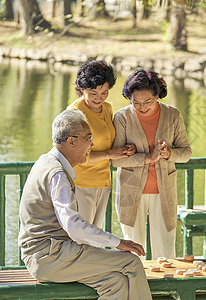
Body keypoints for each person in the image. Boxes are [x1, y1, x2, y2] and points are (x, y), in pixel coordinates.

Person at [18, 110, 151, 300]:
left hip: (47, 256)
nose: (93, 144)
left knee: (115, 282)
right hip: (50, 257)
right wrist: (119, 243)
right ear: (72, 141)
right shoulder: (57, 174)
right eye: (89, 138)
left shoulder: (45, 162)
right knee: (132, 262)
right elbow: (74, 226)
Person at [112, 69, 192, 260]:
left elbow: (186, 153)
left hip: (163, 191)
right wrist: (147, 157)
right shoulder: (122, 117)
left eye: (147, 101)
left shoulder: (172, 115)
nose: (141, 107)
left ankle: (166, 288)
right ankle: (134, 288)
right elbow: (116, 160)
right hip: (131, 191)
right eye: (136, 102)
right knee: (132, 252)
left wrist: (169, 153)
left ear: (158, 95)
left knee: (165, 251)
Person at [67, 60, 136, 228]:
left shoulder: (107, 108)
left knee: (95, 236)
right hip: (81, 185)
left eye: (104, 92)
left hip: (103, 183)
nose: (99, 98)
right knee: (82, 238)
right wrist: (110, 154)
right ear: (82, 89)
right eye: (93, 93)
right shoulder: (74, 114)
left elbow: (107, 141)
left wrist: (126, 148)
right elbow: (74, 157)